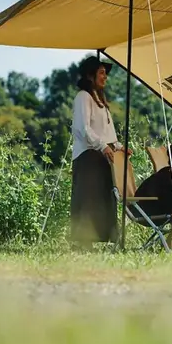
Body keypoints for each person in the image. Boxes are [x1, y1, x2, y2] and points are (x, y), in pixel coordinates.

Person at [69, 56, 121, 250]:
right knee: (88, 199)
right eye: (101, 73)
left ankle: (97, 239)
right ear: (90, 75)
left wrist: (119, 147)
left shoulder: (100, 101)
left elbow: (107, 134)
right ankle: (83, 241)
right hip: (88, 157)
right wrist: (102, 146)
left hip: (101, 158)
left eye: (105, 73)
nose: (105, 77)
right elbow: (83, 129)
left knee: (102, 200)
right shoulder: (83, 96)